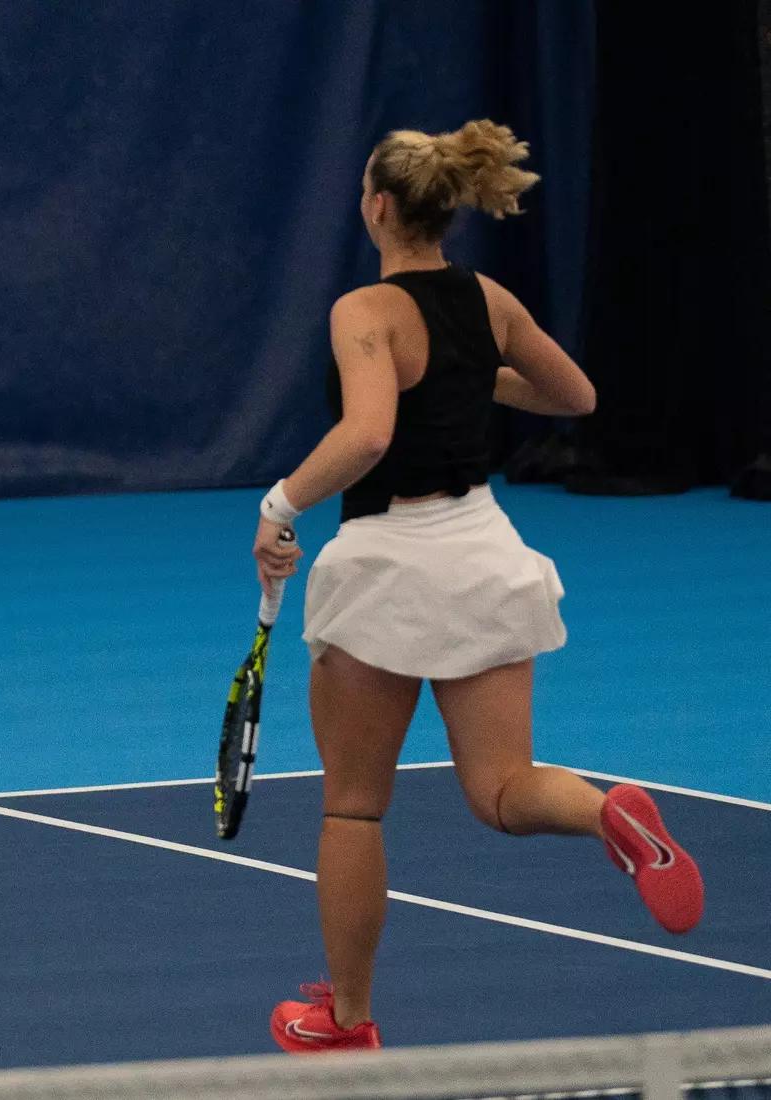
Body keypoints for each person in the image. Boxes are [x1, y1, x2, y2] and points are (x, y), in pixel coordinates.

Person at [252, 121, 704, 1051]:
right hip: (486, 551)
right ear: (445, 206)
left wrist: (280, 504)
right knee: (503, 790)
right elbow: (574, 395)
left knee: (353, 807)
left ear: (378, 204)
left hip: (388, 566)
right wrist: (468, 380)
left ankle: (346, 1019)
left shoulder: (362, 311)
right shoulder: (490, 299)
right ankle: (607, 810)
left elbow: (370, 435)